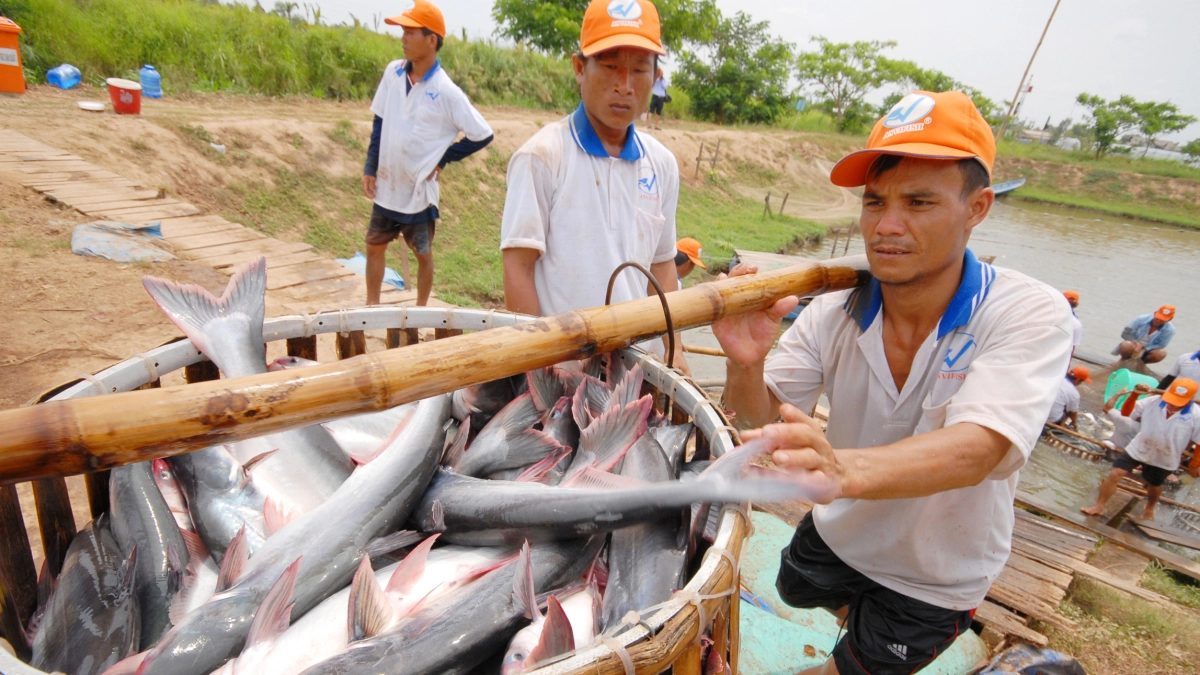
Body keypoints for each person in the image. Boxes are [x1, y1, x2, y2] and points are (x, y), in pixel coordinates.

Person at [712, 90, 1073, 675]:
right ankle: (854, 624)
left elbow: (980, 448)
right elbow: (760, 424)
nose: (887, 226)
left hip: (933, 572)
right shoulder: (835, 311)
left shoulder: (1026, 312)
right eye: (874, 202)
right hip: (843, 529)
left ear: (977, 208)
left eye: (919, 202)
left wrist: (841, 470)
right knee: (794, 586)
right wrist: (745, 362)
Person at [500, 0, 688, 374]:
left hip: (639, 368)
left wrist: (675, 351)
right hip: (565, 368)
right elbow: (518, 269)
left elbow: (663, 266)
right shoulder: (541, 156)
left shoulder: (662, 163)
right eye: (610, 66)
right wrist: (538, 365)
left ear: (656, 76)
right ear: (579, 68)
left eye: (638, 70)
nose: (624, 85)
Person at [362, 0, 494, 307]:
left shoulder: (446, 91)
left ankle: (421, 311)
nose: (403, 38)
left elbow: (482, 133)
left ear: (431, 40)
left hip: (418, 191)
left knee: (422, 253)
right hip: (388, 185)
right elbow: (380, 120)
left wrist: (444, 158)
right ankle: (370, 309)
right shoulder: (393, 73)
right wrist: (371, 165)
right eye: (403, 32)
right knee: (373, 246)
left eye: (410, 32)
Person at [1081, 378, 1200, 521]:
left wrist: (1194, 463)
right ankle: (1099, 506)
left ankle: (1149, 507)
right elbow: (1126, 413)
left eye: (1178, 403)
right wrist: (1134, 395)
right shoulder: (1153, 401)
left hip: (1165, 456)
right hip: (1139, 446)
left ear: (1190, 399)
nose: (1173, 405)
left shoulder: (1196, 415)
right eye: (1172, 400)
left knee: (1154, 485)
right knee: (1115, 473)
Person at [1100, 383, 1152, 453]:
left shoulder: (1127, 423)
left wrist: (1118, 394)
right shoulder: (1151, 429)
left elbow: (1106, 408)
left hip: (1113, 456)